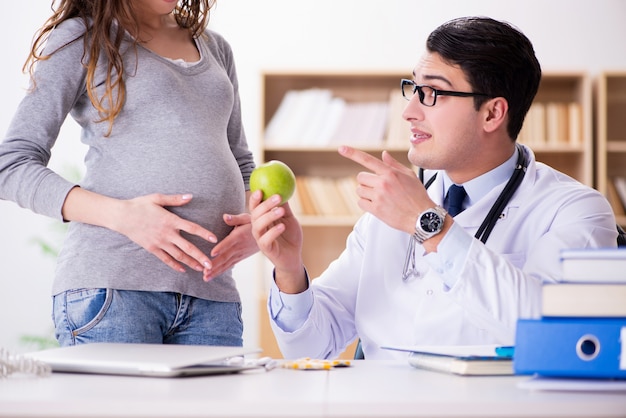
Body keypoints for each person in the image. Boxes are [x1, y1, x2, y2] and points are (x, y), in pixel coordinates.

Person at [249, 16, 618, 360]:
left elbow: (556, 338)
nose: (409, 111)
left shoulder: (575, 210)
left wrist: (429, 223)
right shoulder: (389, 208)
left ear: (492, 113)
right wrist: (290, 270)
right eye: (414, 88)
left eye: (434, 93)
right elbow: (312, 348)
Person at [0, 0, 258, 346]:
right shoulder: (83, 38)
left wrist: (255, 220)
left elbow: (241, 163)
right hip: (114, 292)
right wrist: (124, 216)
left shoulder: (214, 47)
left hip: (213, 298)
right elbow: (12, 165)